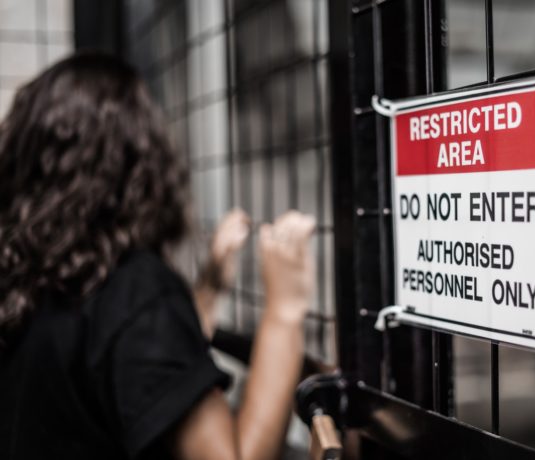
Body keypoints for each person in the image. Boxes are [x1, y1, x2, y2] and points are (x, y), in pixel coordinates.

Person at [0, 53, 316, 460]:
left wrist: (208, 290)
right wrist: (284, 312)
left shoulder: (23, 282)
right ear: (138, 163)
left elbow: (127, 369)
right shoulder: (134, 289)